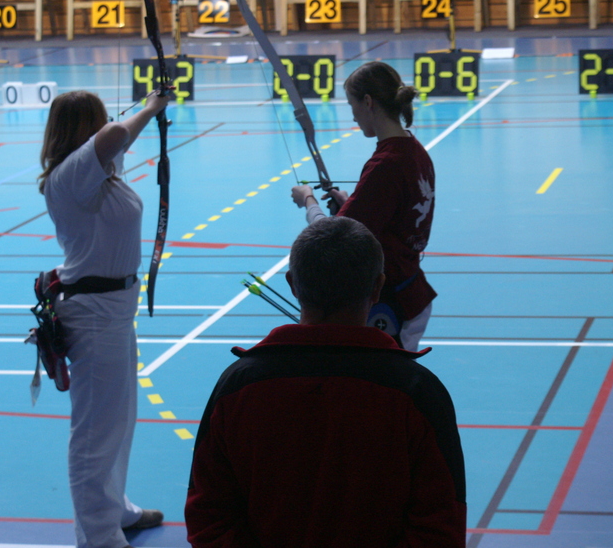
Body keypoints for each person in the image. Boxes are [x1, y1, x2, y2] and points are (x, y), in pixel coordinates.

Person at [185, 216, 466, 548]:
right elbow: (440, 528)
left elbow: (209, 517)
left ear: (292, 284)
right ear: (378, 287)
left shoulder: (238, 388)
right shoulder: (417, 392)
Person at [38, 90, 166, 548]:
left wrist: (153, 109)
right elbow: (114, 135)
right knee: (95, 431)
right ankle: (97, 536)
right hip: (93, 315)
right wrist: (150, 108)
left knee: (119, 420)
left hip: (112, 310)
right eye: (102, 117)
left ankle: (115, 510)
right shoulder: (72, 174)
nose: (111, 122)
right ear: (85, 127)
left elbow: (114, 140)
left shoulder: (98, 172)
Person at [291, 61, 436, 351]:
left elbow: (333, 238)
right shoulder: (412, 149)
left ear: (368, 102)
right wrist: (350, 204)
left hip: (392, 302)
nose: (353, 116)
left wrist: (307, 200)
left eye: (352, 105)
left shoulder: (386, 164)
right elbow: (394, 213)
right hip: (410, 289)